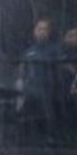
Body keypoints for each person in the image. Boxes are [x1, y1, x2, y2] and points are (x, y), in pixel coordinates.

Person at [18, 16, 63, 144]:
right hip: (30, 92)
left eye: (44, 29)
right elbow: (22, 70)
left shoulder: (55, 50)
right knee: (27, 123)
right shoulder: (29, 51)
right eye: (39, 28)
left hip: (47, 93)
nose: (41, 31)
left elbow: (60, 70)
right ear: (34, 31)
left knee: (47, 125)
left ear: (49, 32)